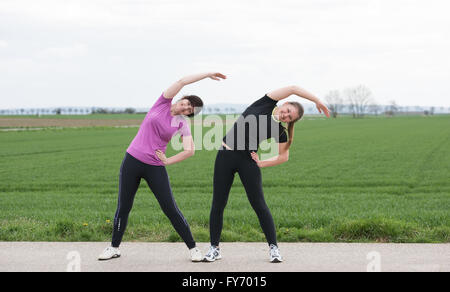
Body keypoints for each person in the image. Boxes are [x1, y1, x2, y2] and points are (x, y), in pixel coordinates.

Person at [98, 72, 227, 262]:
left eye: (189, 109)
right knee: (124, 207)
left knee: (170, 208)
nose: (185, 108)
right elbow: (182, 81)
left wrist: (168, 161)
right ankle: (114, 247)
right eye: (186, 103)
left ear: (189, 114)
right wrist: (207, 74)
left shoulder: (181, 123)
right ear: (182, 99)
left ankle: (193, 249)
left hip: (154, 166)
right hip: (132, 160)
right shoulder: (162, 103)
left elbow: (190, 150)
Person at [203, 85, 330, 263]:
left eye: (289, 117)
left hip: (248, 162)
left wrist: (262, 163)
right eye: (287, 110)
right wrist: (317, 100)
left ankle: (274, 248)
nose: (285, 115)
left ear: (290, 121)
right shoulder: (264, 104)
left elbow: (283, 156)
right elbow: (293, 87)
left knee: (259, 205)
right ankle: (214, 248)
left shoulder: (280, 131)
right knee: (218, 204)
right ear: (284, 103)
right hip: (225, 156)